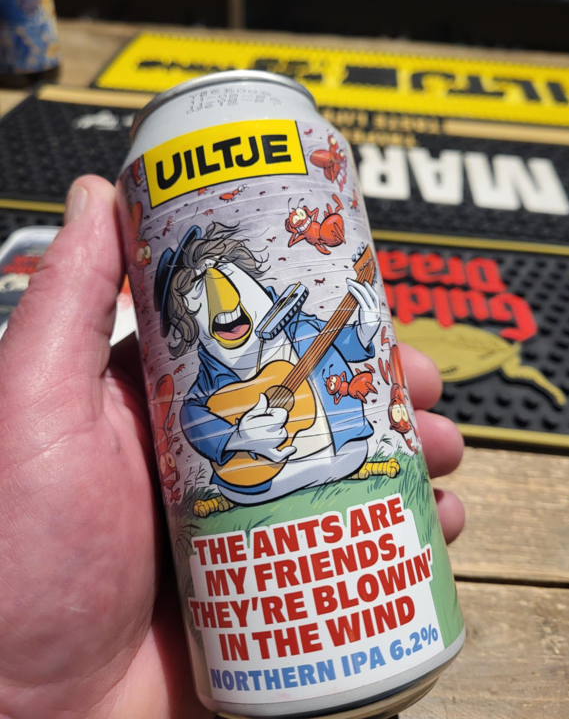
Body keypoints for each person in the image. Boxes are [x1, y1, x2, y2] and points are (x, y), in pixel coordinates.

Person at [0, 176, 466, 719]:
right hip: (250, 512)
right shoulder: (203, 386)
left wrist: (363, 323)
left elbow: (356, 346)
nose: (223, 300)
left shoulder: (305, 329)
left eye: (234, 283)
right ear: (186, 325)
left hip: (343, 468)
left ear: (264, 290)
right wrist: (241, 438)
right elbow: (195, 420)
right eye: (200, 297)